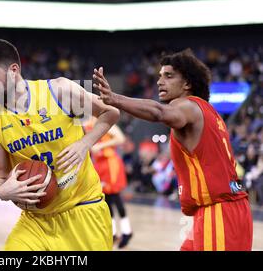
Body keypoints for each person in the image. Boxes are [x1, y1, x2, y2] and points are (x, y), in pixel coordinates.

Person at [93, 48, 253, 251]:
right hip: (218, 210)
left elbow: (159, 112)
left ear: (187, 83)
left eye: (168, 76)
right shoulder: (208, 112)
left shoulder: (187, 106)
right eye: (159, 76)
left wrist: (114, 98)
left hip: (219, 212)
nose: (160, 81)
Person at [0, 39, 120, 250]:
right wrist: (3, 192)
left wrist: (84, 144)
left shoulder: (58, 92)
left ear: (13, 70)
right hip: (35, 221)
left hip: (84, 210)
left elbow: (110, 112)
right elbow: (1, 177)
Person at [84, 118, 133, 249]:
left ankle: (126, 231)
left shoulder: (105, 123)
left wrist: (101, 145)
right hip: (99, 164)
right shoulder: (86, 125)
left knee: (115, 197)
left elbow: (121, 139)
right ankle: (113, 234)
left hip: (111, 164)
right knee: (106, 200)